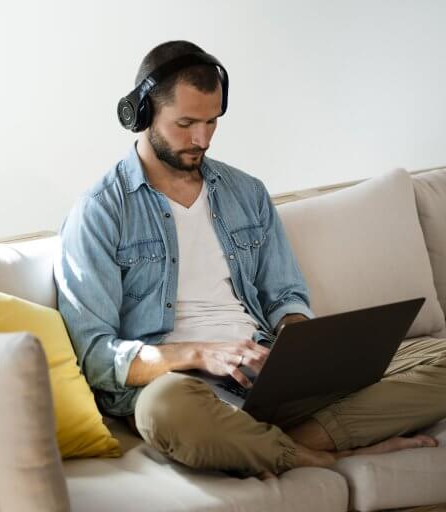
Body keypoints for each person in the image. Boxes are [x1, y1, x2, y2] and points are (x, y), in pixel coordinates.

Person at [53, 40, 446, 479]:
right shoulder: (100, 212)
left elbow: (285, 294)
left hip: (268, 379)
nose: (201, 139)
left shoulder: (247, 192)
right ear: (142, 114)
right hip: (185, 389)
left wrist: (300, 347)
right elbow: (97, 357)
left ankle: (279, 443)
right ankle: (322, 452)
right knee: (164, 412)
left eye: (211, 122)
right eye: (185, 123)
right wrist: (200, 353)